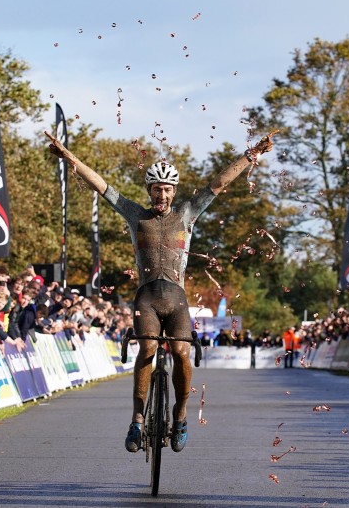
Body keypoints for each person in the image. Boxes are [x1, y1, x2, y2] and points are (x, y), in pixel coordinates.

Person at [45, 127, 275, 454]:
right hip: (147, 299)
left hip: (177, 300)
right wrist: (69, 157)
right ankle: (137, 420)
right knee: (148, 350)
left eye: (167, 190)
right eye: (156, 189)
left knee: (181, 354)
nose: (162, 196)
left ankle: (179, 416)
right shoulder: (135, 214)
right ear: (149, 190)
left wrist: (252, 155)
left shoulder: (188, 213)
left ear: (173, 191)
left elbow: (220, 183)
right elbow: (101, 186)